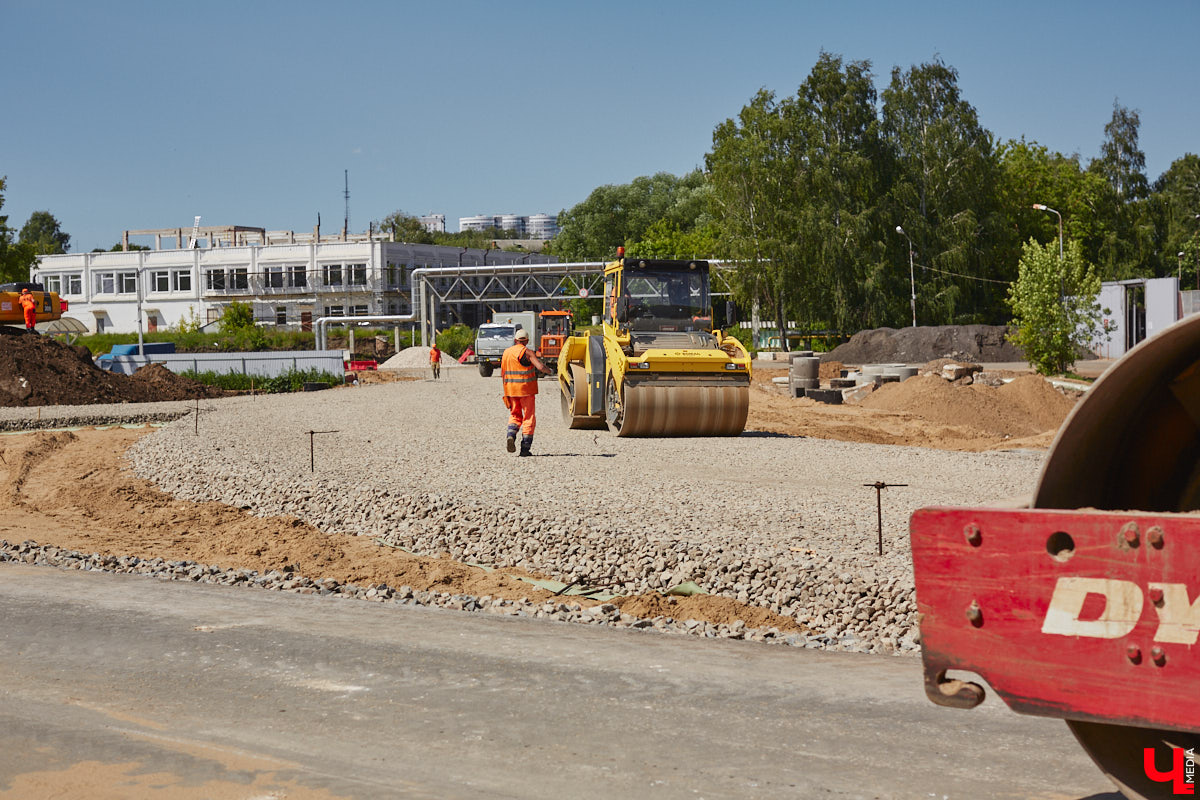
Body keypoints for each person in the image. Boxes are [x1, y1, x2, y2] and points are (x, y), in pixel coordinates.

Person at [500, 328, 551, 456]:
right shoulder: (527, 352)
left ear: (515, 340)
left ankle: (511, 435)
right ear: (527, 340)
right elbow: (540, 367)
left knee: (515, 415)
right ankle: (525, 449)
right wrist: (550, 371)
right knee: (529, 417)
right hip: (526, 390)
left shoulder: (506, 352)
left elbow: (503, 372)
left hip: (510, 390)